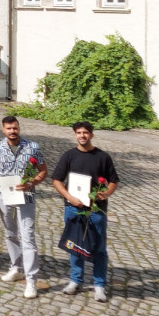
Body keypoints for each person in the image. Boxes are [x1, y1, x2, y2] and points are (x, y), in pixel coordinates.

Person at [52, 121, 120, 302]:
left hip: (96, 210)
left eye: (86, 133)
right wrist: (69, 197)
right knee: (74, 245)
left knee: (99, 248)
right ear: (75, 135)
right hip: (73, 208)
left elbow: (114, 181)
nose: (82, 135)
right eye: (79, 133)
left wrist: (106, 193)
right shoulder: (69, 156)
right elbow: (57, 180)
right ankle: (76, 280)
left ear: (92, 134)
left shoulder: (102, 157)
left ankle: (99, 285)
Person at [0, 115, 48, 298]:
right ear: (3, 129)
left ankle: (31, 281)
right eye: (8, 128)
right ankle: (16, 267)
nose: (12, 131)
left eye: (15, 128)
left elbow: (43, 171)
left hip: (26, 196)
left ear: (19, 128)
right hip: (4, 196)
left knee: (28, 238)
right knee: (10, 234)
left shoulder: (32, 147)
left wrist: (31, 183)